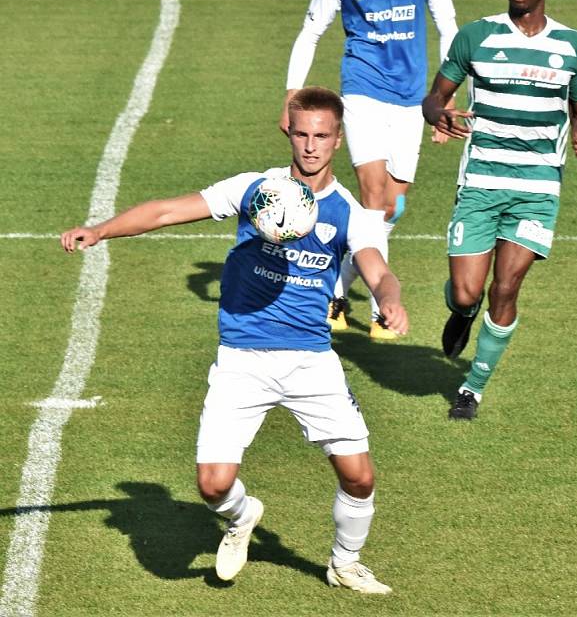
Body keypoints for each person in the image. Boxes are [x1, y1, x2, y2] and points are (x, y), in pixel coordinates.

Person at [61, 87, 407, 593]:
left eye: (322, 136)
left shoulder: (350, 213)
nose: (311, 146)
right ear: (288, 131)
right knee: (213, 485)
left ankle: (344, 562)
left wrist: (389, 300)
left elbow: (377, 269)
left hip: (311, 362)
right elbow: (165, 211)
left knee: (360, 477)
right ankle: (242, 518)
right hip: (242, 360)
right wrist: (102, 230)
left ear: (338, 140)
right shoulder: (254, 191)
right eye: (302, 134)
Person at [422, 0, 577, 420]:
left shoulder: (573, 47)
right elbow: (435, 97)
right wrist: (440, 116)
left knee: (507, 287)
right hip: (480, 179)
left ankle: (472, 387)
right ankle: (461, 313)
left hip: (538, 188)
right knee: (466, 292)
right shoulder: (476, 37)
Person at [279, 0, 458, 340]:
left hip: (411, 101)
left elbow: (449, 28)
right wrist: (290, 95)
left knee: (390, 209)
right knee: (374, 196)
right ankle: (378, 307)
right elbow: (311, 31)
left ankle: (334, 287)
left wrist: (448, 93)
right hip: (360, 93)